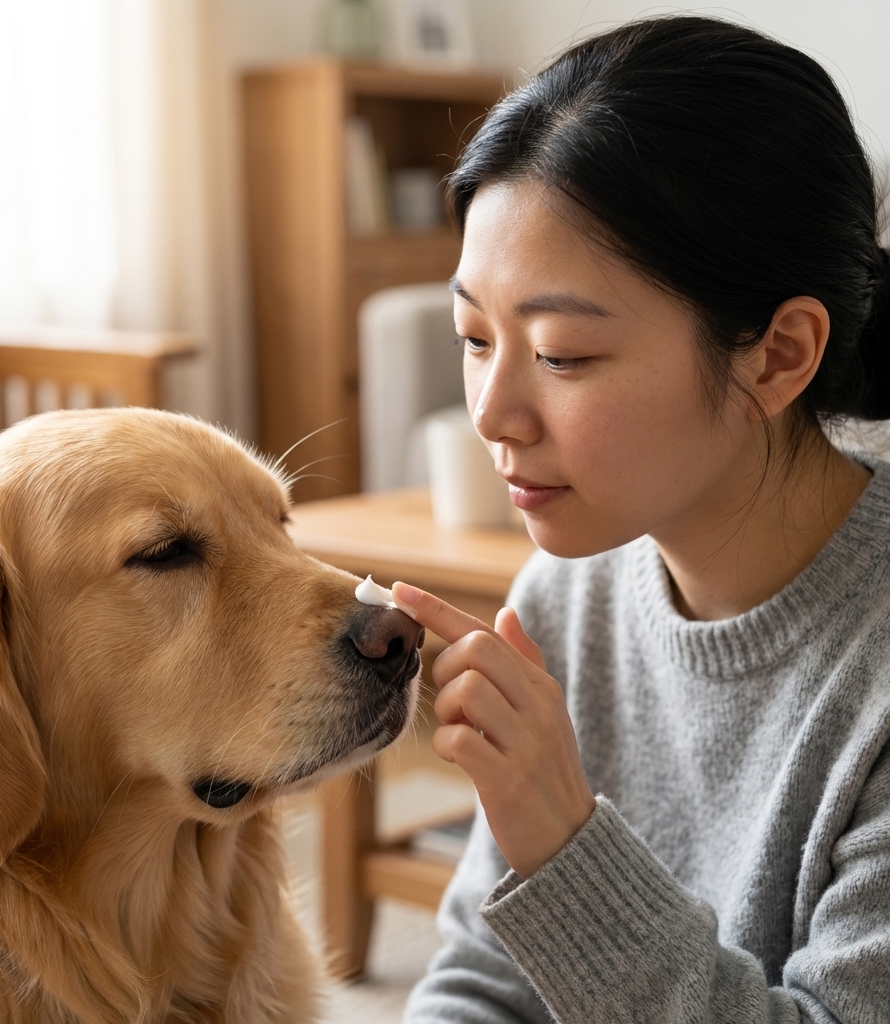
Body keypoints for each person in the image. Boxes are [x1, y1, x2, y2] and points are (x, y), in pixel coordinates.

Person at [393, 15, 890, 1023]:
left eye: (562, 353)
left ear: (778, 355)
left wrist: (564, 845)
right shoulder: (566, 595)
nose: (490, 412)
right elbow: (483, 978)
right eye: (472, 335)